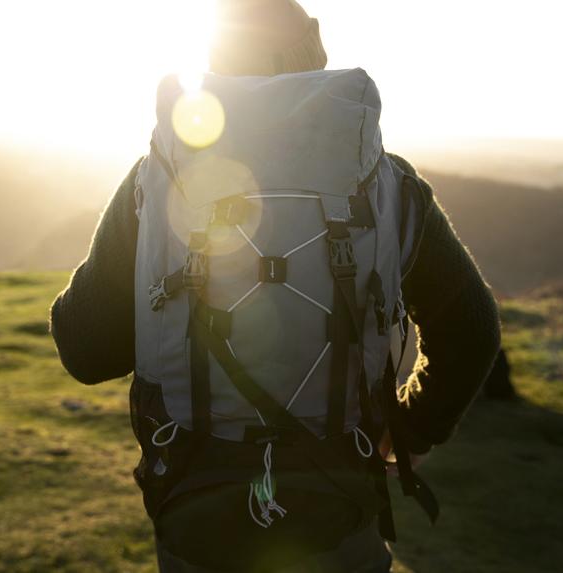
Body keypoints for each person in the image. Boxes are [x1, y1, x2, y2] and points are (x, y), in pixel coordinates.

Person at [50, 1, 500, 571]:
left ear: (215, 62)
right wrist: (412, 430)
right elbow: (473, 330)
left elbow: (86, 349)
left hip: (197, 507)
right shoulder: (388, 185)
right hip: (339, 506)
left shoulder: (157, 179)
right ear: (314, 45)